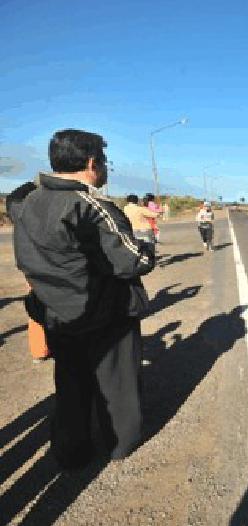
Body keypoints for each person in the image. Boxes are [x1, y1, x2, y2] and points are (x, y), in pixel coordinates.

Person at [7, 129, 155, 469]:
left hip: (55, 312)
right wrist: (147, 250)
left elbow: (17, 197)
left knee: (71, 383)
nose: (106, 170)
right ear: (92, 163)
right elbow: (133, 260)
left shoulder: (28, 203)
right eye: (104, 162)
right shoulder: (92, 205)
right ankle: (119, 444)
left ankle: (71, 451)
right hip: (104, 313)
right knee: (117, 384)